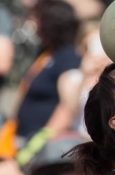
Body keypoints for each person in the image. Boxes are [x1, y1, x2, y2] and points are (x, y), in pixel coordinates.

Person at [14, 0, 81, 165]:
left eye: (36, 19)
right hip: (21, 140)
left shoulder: (68, 58)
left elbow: (68, 107)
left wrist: (37, 143)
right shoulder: (47, 54)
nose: (33, 24)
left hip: (40, 151)